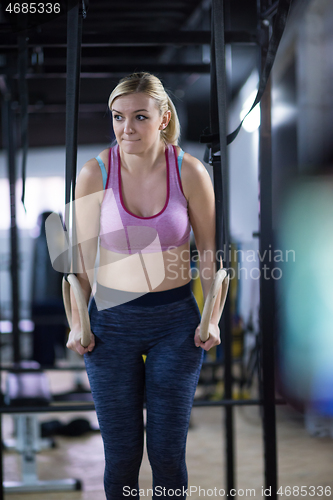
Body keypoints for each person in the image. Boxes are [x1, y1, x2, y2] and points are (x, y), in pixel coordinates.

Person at [66, 72, 223, 499]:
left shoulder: (189, 171)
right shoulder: (93, 173)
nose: (126, 128)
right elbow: (78, 264)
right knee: (121, 456)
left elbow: (209, 254)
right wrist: (76, 321)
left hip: (176, 324)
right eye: (118, 117)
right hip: (111, 324)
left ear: (163, 117)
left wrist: (212, 317)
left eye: (139, 116)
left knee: (168, 454)